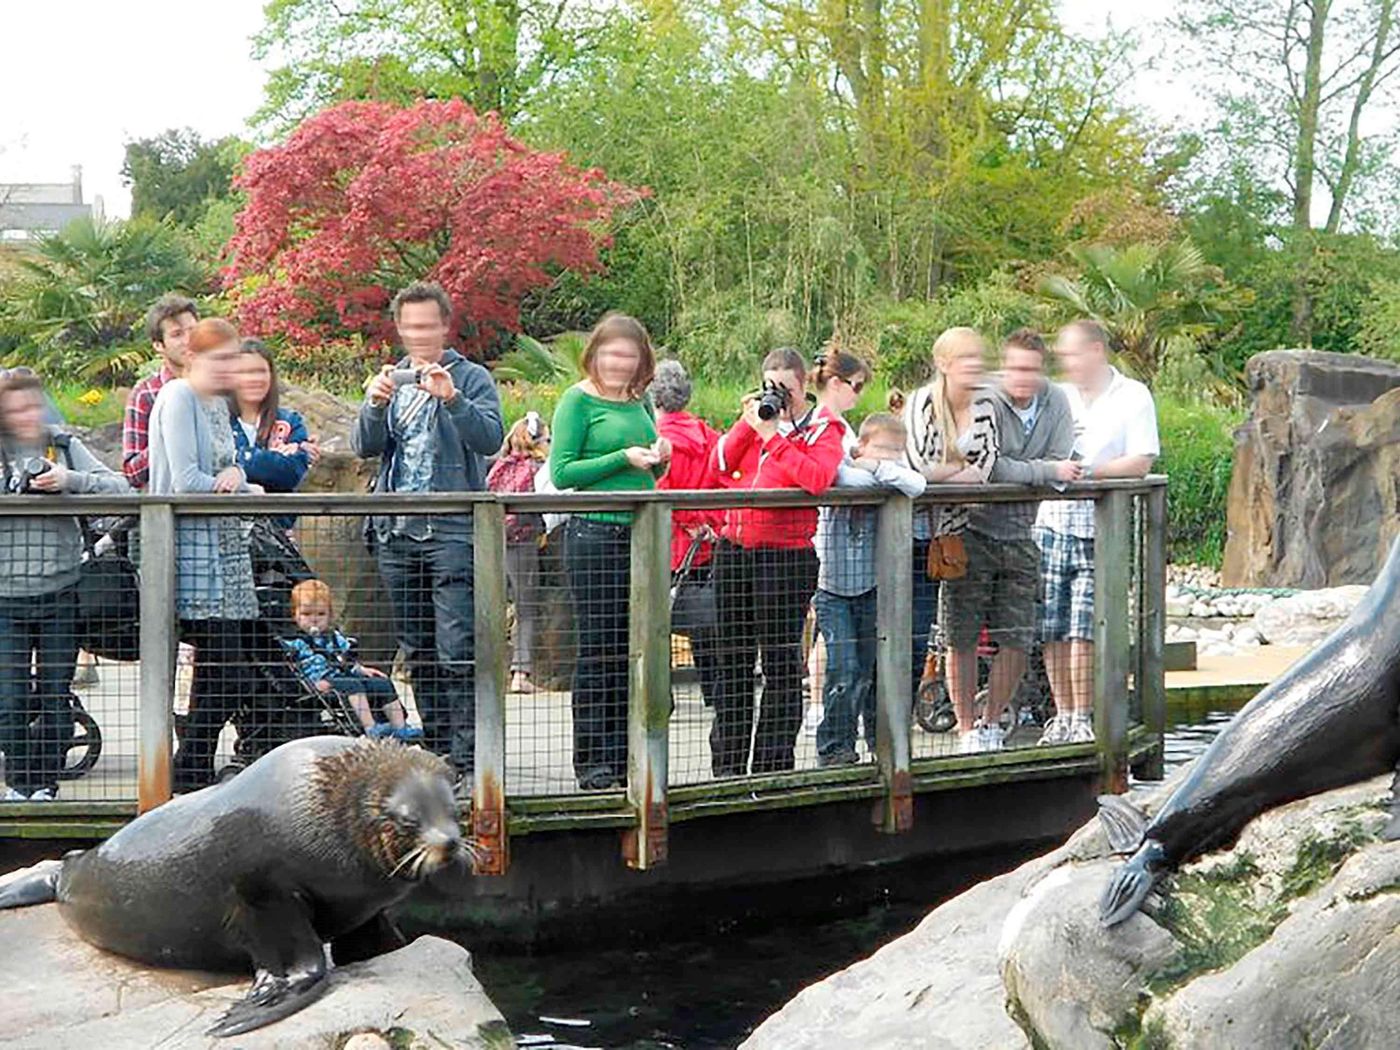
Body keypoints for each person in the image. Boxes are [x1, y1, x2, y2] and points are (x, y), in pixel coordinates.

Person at [353, 281, 504, 785]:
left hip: (453, 530)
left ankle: (466, 756)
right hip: (396, 530)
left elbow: (489, 438)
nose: (419, 335)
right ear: (399, 328)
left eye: (427, 325)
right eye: (410, 327)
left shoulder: (472, 377)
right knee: (416, 648)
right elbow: (363, 447)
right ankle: (436, 753)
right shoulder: (389, 379)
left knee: (457, 647)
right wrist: (374, 405)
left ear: (444, 325)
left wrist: (453, 398)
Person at [710, 347, 845, 776]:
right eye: (772, 386)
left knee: (780, 662)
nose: (779, 397)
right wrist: (750, 424)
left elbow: (816, 479)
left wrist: (774, 437)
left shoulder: (824, 427)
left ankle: (772, 767)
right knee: (731, 659)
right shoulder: (757, 421)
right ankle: (727, 767)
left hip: (785, 557)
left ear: (804, 385)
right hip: (735, 550)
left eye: (785, 388)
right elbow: (721, 466)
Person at [549, 314, 669, 790]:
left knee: (629, 649)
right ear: (595, 354)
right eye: (612, 354)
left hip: (638, 534)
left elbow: (646, 477)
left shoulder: (641, 403)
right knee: (598, 648)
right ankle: (593, 765)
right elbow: (563, 472)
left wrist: (660, 460)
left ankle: (623, 758)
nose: (620, 363)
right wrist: (623, 457)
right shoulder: (577, 401)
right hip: (593, 535)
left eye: (629, 355)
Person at [0, 373, 129, 801]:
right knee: (11, 699)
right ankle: (19, 783)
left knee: (55, 695)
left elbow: (121, 487)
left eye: (32, 405)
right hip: (5, 598)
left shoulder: (65, 445)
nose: (25, 415)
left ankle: (46, 783)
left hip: (61, 590)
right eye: (15, 408)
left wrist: (69, 481)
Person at [148, 317, 264, 791]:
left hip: (224, 552)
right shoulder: (177, 397)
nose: (229, 369)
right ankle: (187, 764)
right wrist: (247, 489)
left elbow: (226, 467)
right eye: (220, 360)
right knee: (227, 670)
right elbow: (187, 481)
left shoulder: (218, 404)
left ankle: (192, 766)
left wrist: (239, 477)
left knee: (224, 672)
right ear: (194, 358)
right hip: (188, 553)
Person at [1034, 319, 1159, 744]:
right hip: (1050, 522)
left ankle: (1083, 715)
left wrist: (1088, 474)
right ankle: (1063, 714)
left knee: (1082, 624)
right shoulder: (1057, 396)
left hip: (1098, 527)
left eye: (1072, 354)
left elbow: (1141, 459)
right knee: (1051, 623)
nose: (1065, 364)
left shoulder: (1132, 395)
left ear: (1096, 351)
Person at [954, 329, 1077, 752]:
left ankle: (991, 724)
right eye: (1016, 368)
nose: (1023, 378)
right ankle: (966, 727)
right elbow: (989, 466)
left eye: (1031, 369)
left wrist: (1037, 469)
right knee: (961, 633)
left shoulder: (1056, 401)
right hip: (970, 528)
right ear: (1003, 367)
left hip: (1023, 532)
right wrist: (1042, 472)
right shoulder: (984, 398)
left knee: (1018, 637)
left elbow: (1064, 459)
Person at [902, 327, 1000, 754]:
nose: (975, 366)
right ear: (944, 363)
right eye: (966, 358)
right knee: (911, 627)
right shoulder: (922, 403)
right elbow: (915, 468)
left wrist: (953, 474)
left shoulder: (985, 407)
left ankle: (971, 727)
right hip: (916, 530)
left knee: (959, 626)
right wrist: (954, 474)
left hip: (963, 529)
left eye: (979, 357)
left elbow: (986, 466)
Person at [814, 409, 926, 767]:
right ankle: (833, 745)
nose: (890, 458)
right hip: (832, 588)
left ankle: (875, 742)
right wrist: (880, 474)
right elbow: (845, 479)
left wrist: (879, 468)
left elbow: (916, 485)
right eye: (882, 449)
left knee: (866, 669)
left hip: (870, 587)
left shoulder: (887, 473)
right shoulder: (840, 466)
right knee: (843, 668)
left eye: (897, 452)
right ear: (860, 444)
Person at [651, 359, 724, 708]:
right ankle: (714, 689)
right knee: (707, 616)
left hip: (668, 541)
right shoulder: (709, 436)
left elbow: (663, 487)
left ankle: (659, 693)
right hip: (705, 541)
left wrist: (689, 517)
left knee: (656, 619)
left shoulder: (657, 439)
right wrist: (711, 521)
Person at [282, 579, 419, 741]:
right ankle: (370, 727)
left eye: (321, 614)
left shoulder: (334, 637)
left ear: (330, 615)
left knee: (381, 682)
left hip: (340, 676)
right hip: (317, 683)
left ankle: (400, 727)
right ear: (295, 616)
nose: (314, 620)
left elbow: (346, 660)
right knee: (352, 684)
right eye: (306, 614)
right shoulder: (293, 643)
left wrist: (362, 669)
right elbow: (290, 669)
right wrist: (308, 684)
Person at [486, 412, 550, 694]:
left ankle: (487, 672)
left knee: (491, 606)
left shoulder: (500, 465)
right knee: (526, 608)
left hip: (491, 541)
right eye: (548, 439)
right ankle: (520, 672)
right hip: (522, 543)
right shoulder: (538, 467)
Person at [230, 338, 321, 529]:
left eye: (260, 371)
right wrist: (273, 458)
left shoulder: (290, 421)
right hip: (229, 531)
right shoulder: (218, 421)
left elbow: (292, 472)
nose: (254, 379)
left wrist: (241, 459)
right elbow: (215, 470)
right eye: (245, 372)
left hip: (277, 534)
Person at [124, 294, 199, 490]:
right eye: (177, 334)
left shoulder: (220, 389)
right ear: (158, 345)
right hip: (168, 506)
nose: (188, 340)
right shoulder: (146, 394)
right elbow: (131, 472)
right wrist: (170, 437)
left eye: (193, 331)